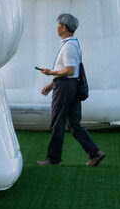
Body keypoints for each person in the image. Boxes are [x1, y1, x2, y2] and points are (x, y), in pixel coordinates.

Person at [37, 14, 106, 167]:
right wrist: (51, 85)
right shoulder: (73, 44)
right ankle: (95, 153)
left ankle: (53, 159)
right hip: (71, 86)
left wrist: (51, 73)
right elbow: (71, 72)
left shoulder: (68, 46)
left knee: (57, 122)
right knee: (74, 123)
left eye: (58, 25)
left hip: (64, 87)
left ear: (63, 27)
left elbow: (69, 70)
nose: (56, 28)